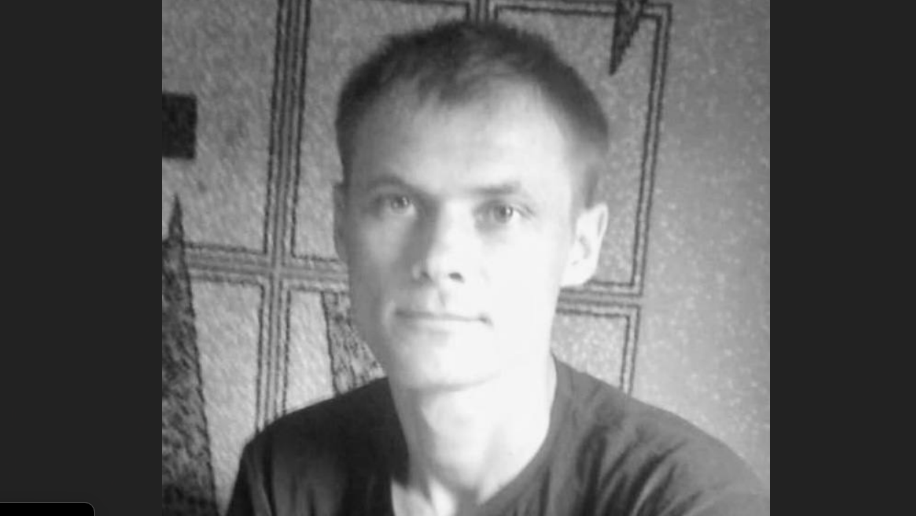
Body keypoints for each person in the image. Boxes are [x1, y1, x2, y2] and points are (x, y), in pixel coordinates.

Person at [227, 20, 769, 516]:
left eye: (502, 212)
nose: (439, 258)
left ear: (581, 246)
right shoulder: (284, 472)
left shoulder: (688, 500)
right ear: (342, 226)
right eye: (397, 202)